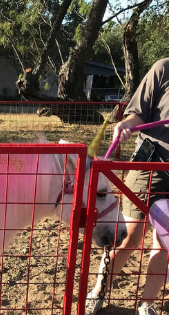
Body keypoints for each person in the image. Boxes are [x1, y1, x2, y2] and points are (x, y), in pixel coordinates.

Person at [86, 58, 169, 315]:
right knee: (130, 236)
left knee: (164, 243)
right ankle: (98, 291)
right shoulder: (163, 68)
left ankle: (147, 304)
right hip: (150, 166)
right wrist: (126, 126)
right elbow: (137, 114)